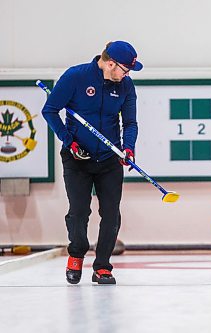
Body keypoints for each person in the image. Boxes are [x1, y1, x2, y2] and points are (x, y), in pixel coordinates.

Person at [41, 41, 143, 285]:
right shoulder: (75, 77)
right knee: (79, 211)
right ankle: (76, 254)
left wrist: (128, 148)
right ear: (110, 64)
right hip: (77, 159)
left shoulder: (125, 85)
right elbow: (50, 110)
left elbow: (130, 123)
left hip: (109, 158)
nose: (127, 75)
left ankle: (102, 267)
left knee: (111, 214)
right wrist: (68, 140)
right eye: (125, 70)